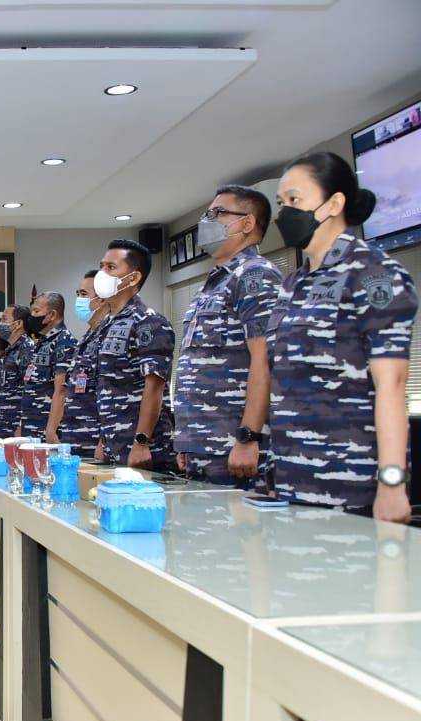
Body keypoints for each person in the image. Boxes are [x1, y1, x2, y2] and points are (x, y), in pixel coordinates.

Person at [269, 152, 417, 521]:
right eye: (281, 203)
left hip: (349, 482)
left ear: (334, 204)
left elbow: (392, 386)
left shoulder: (373, 273)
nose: (284, 213)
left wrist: (392, 484)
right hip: (290, 478)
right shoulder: (293, 283)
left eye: (294, 199)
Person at [174, 185, 282, 487]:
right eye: (207, 214)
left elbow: (264, 359)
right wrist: (187, 440)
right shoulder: (215, 282)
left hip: (235, 446)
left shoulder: (255, 275)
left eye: (218, 213)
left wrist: (249, 436)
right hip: (203, 445)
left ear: (247, 223)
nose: (206, 221)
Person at [93, 239, 176, 470]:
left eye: (111, 267)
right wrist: (103, 439)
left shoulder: (149, 322)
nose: (102, 273)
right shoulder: (107, 324)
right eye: (101, 266)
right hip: (114, 443)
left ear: (133, 277)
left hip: (143, 448)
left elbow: (155, 387)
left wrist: (141, 441)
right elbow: (107, 386)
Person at [52, 270, 111, 447]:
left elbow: (112, 393)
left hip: (94, 440)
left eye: (84, 294)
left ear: (102, 299)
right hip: (74, 437)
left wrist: (103, 442)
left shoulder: (109, 335)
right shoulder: (87, 338)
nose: (79, 299)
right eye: (78, 294)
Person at [20, 292, 76, 439]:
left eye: (36, 311)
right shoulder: (43, 341)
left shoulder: (64, 342)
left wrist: (51, 430)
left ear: (52, 315)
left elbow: (61, 390)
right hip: (32, 427)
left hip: (47, 430)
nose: (32, 316)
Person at [0, 305, 35, 438]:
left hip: (17, 427)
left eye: (4, 319)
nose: (0, 324)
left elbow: (30, 390)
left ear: (18, 324)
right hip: (4, 424)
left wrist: (21, 425)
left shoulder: (26, 349)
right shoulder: (10, 350)